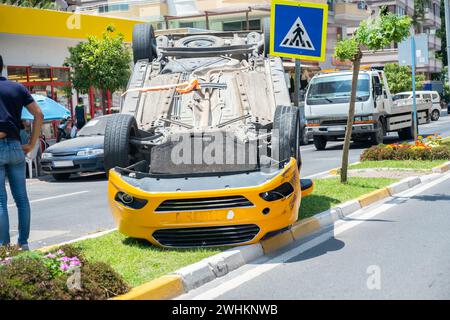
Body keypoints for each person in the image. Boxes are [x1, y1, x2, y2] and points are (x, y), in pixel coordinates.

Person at [0, 54, 44, 250]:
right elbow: (38, 114)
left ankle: (4, 247)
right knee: (21, 199)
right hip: (17, 147)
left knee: (1, 201)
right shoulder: (17, 88)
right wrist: (32, 143)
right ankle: (23, 244)